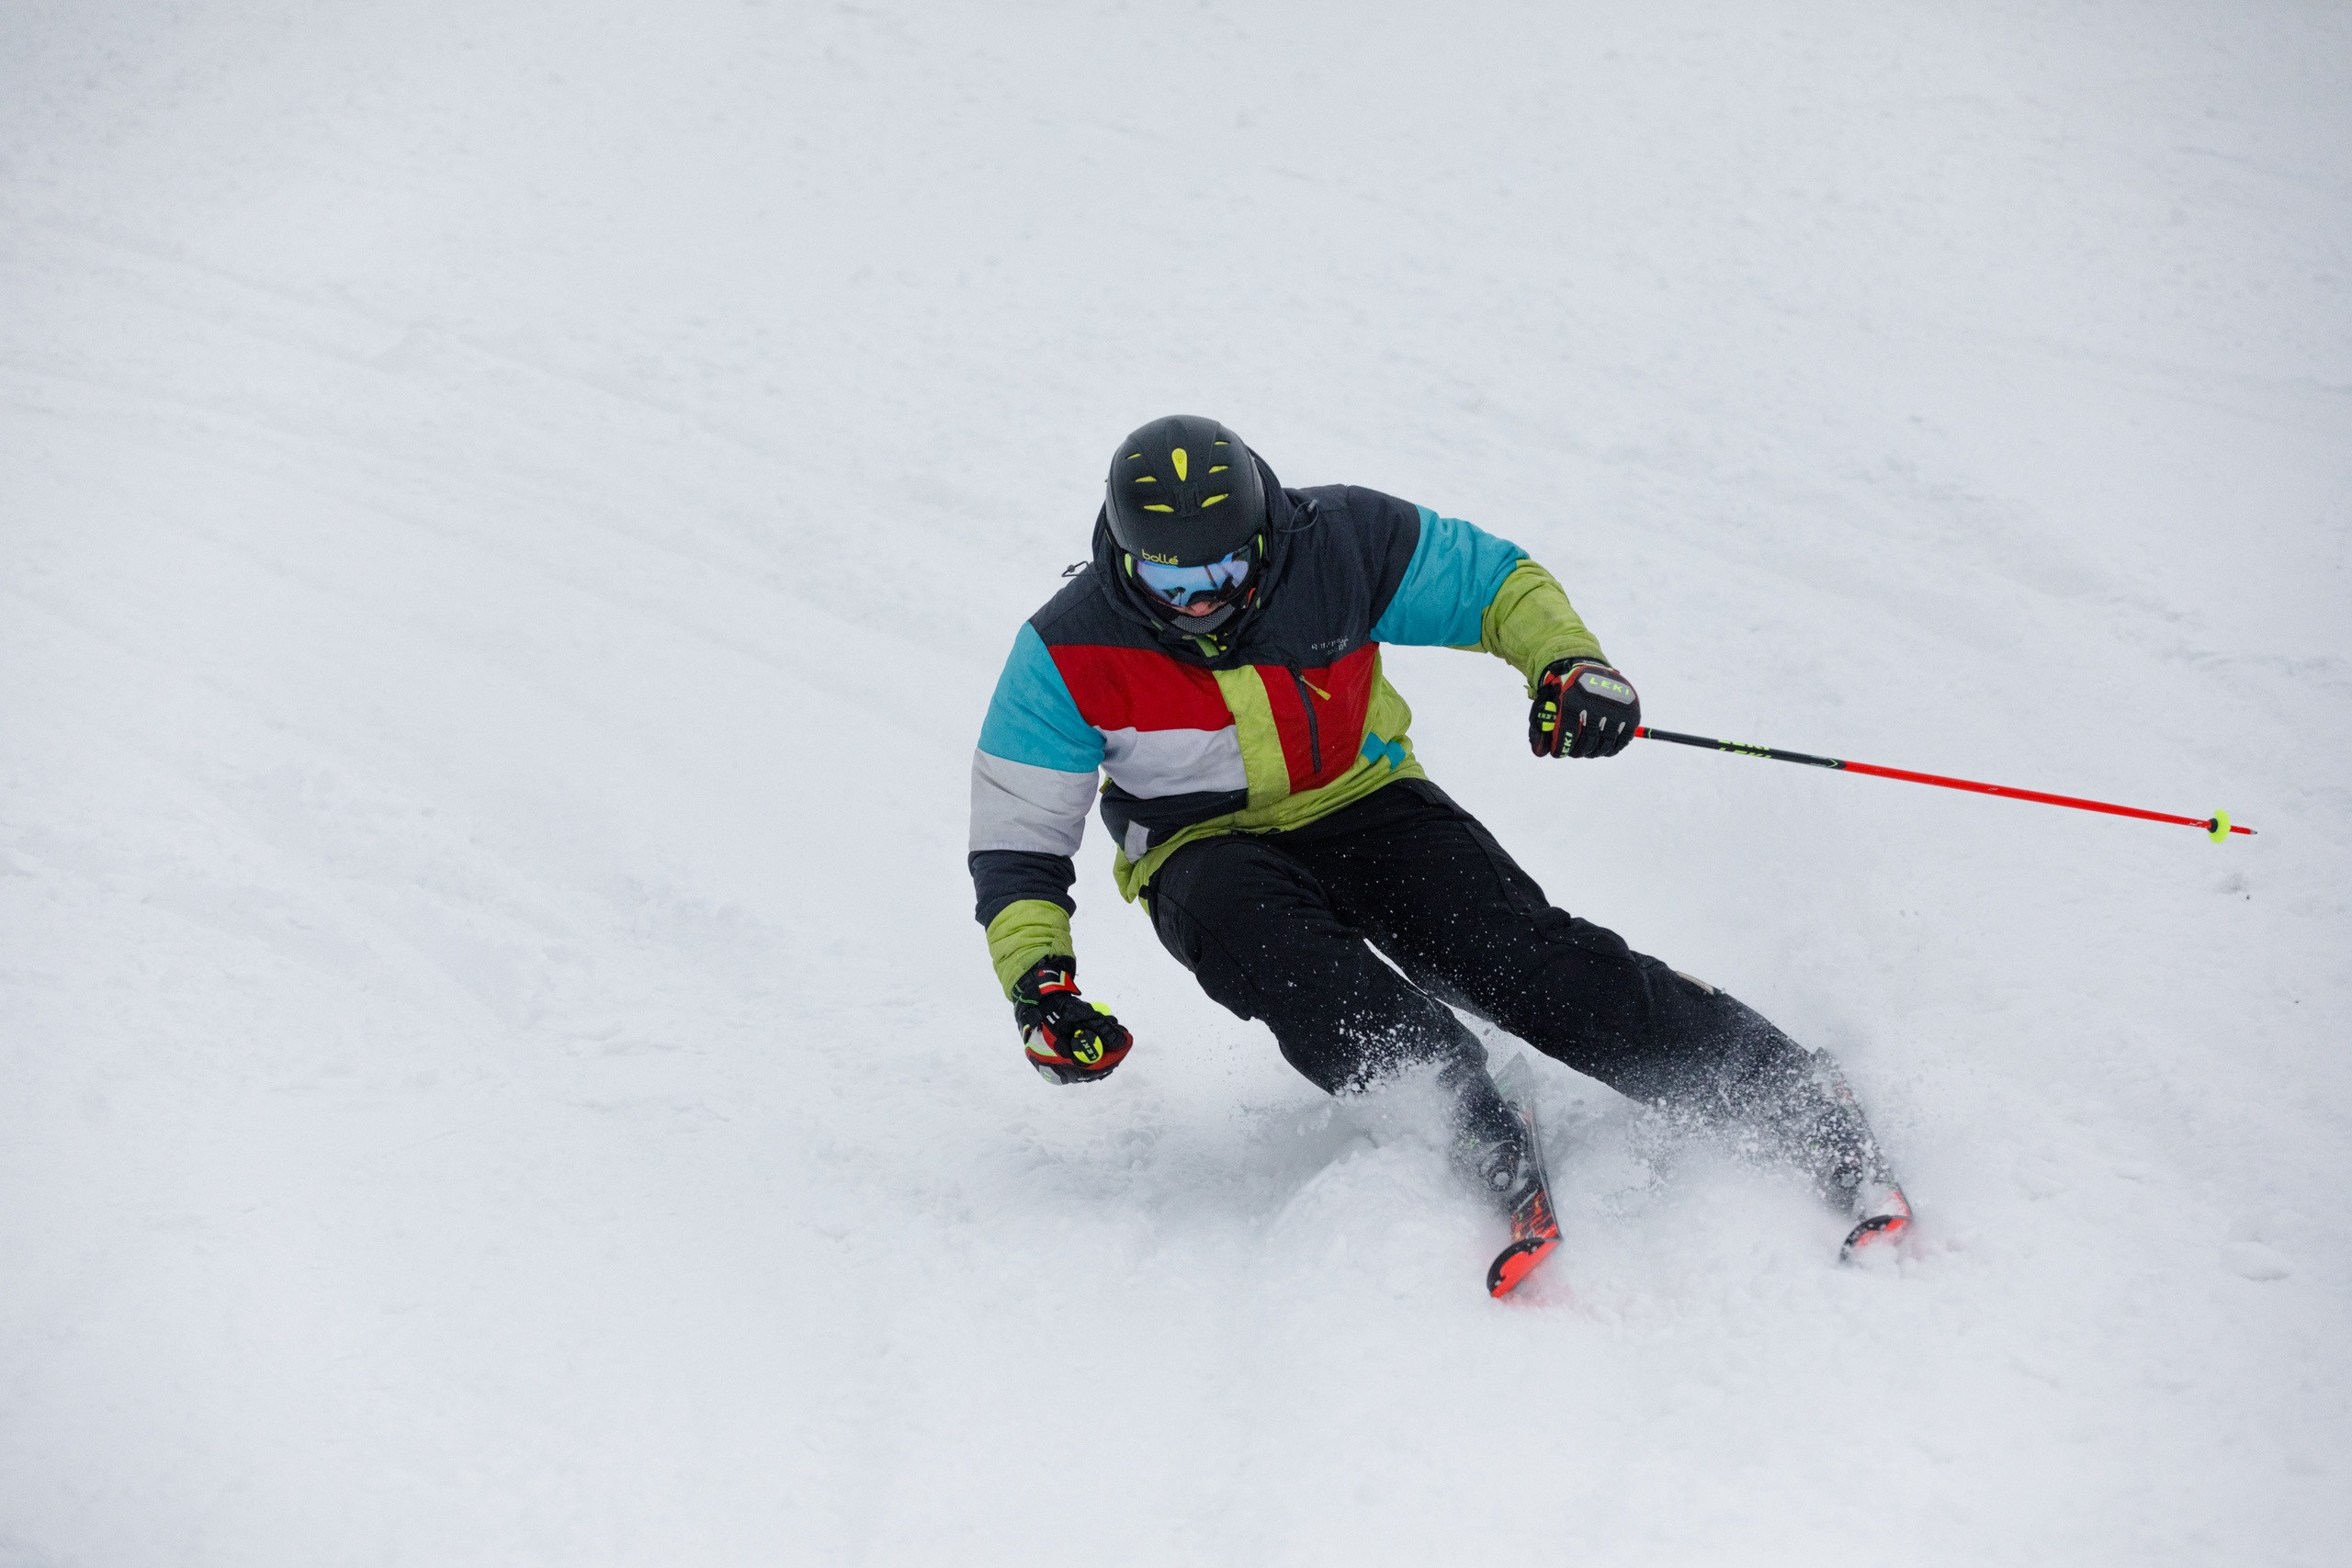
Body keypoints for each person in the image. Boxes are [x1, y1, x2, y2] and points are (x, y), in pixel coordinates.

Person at [966, 414, 1909, 1252]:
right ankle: (1455, 1107)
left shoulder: (1336, 543)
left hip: (1361, 795)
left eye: (1224, 568)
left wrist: (1567, 668)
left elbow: (1495, 584)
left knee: (1506, 953)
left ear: (1262, 530)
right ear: (1125, 557)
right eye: (1171, 577)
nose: (1203, 598)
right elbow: (1018, 841)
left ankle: (1769, 1085)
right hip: (1197, 849)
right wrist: (1039, 987)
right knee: (1292, 964)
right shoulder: (1066, 647)